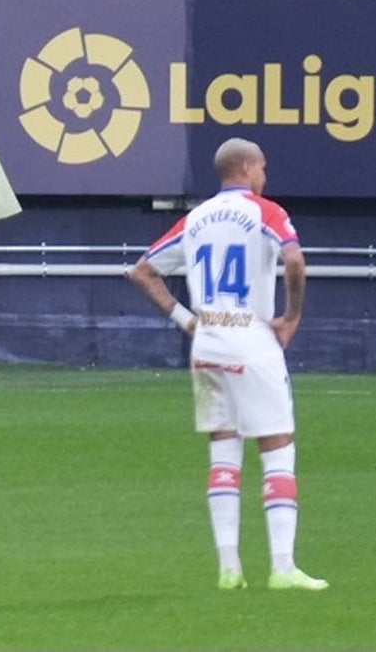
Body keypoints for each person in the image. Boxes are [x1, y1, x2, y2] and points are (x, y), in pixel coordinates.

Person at [128, 137, 328, 592]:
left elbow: (141, 270)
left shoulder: (194, 219)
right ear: (248, 167)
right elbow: (294, 261)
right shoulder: (265, 212)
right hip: (251, 341)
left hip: (209, 345)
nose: (265, 176)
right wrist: (292, 317)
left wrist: (186, 320)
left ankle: (229, 568)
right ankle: (282, 566)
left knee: (224, 451)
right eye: (262, 168)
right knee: (277, 449)